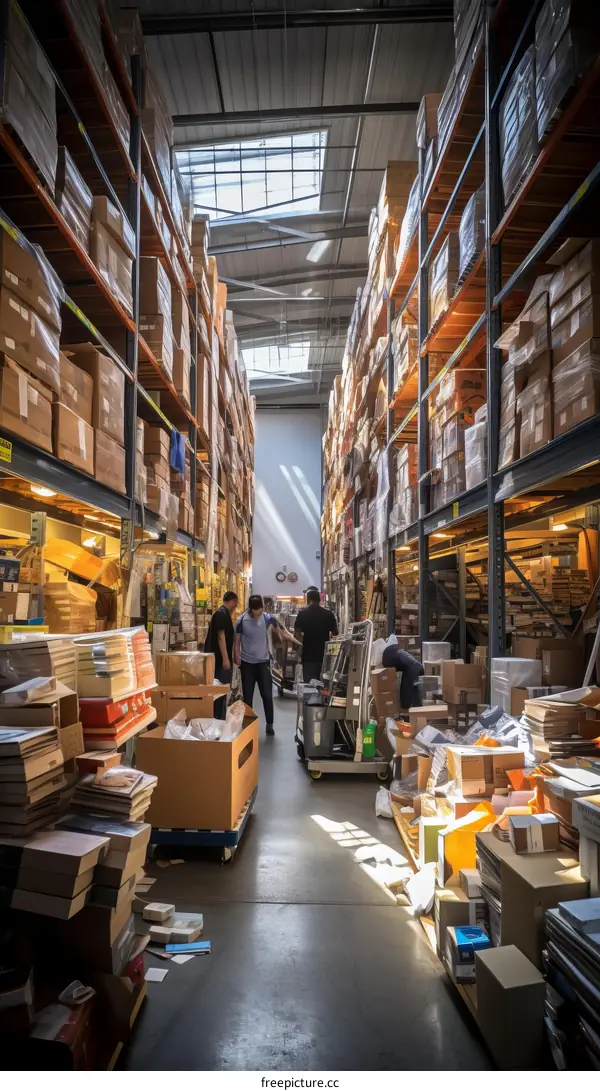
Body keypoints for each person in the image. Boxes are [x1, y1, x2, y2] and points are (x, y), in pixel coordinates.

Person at [234, 594, 299, 736]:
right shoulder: (242, 620)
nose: (260, 611)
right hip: (248, 664)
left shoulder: (267, 618)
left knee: (267, 695)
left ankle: (270, 724)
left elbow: (281, 631)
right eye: (258, 609)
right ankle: (248, 724)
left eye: (262, 608)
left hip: (263, 664)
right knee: (248, 697)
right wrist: (237, 655)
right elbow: (237, 640)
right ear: (252, 608)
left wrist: (294, 640)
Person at [205, 590, 238, 719]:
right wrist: (225, 659)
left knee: (221, 690)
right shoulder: (221, 614)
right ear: (233, 601)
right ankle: (217, 717)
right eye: (236, 602)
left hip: (218, 660)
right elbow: (220, 636)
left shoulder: (223, 613)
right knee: (220, 690)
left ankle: (219, 715)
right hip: (219, 661)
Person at [294, 589, 338, 683]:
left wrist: (296, 650)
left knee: (309, 685)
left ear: (308, 600)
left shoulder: (302, 614)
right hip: (325, 655)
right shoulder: (329, 614)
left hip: (308, 656)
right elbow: (335, 634)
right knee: (323, 684)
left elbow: (297, 635)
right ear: (319, 600)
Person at [381, 644, 424, 710]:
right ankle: (413, 706)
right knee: (411, 686)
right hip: (413, 667)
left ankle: (408, 707)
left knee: (408, 686)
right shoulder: (397, 652)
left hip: (410, 666)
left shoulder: (392, 653)